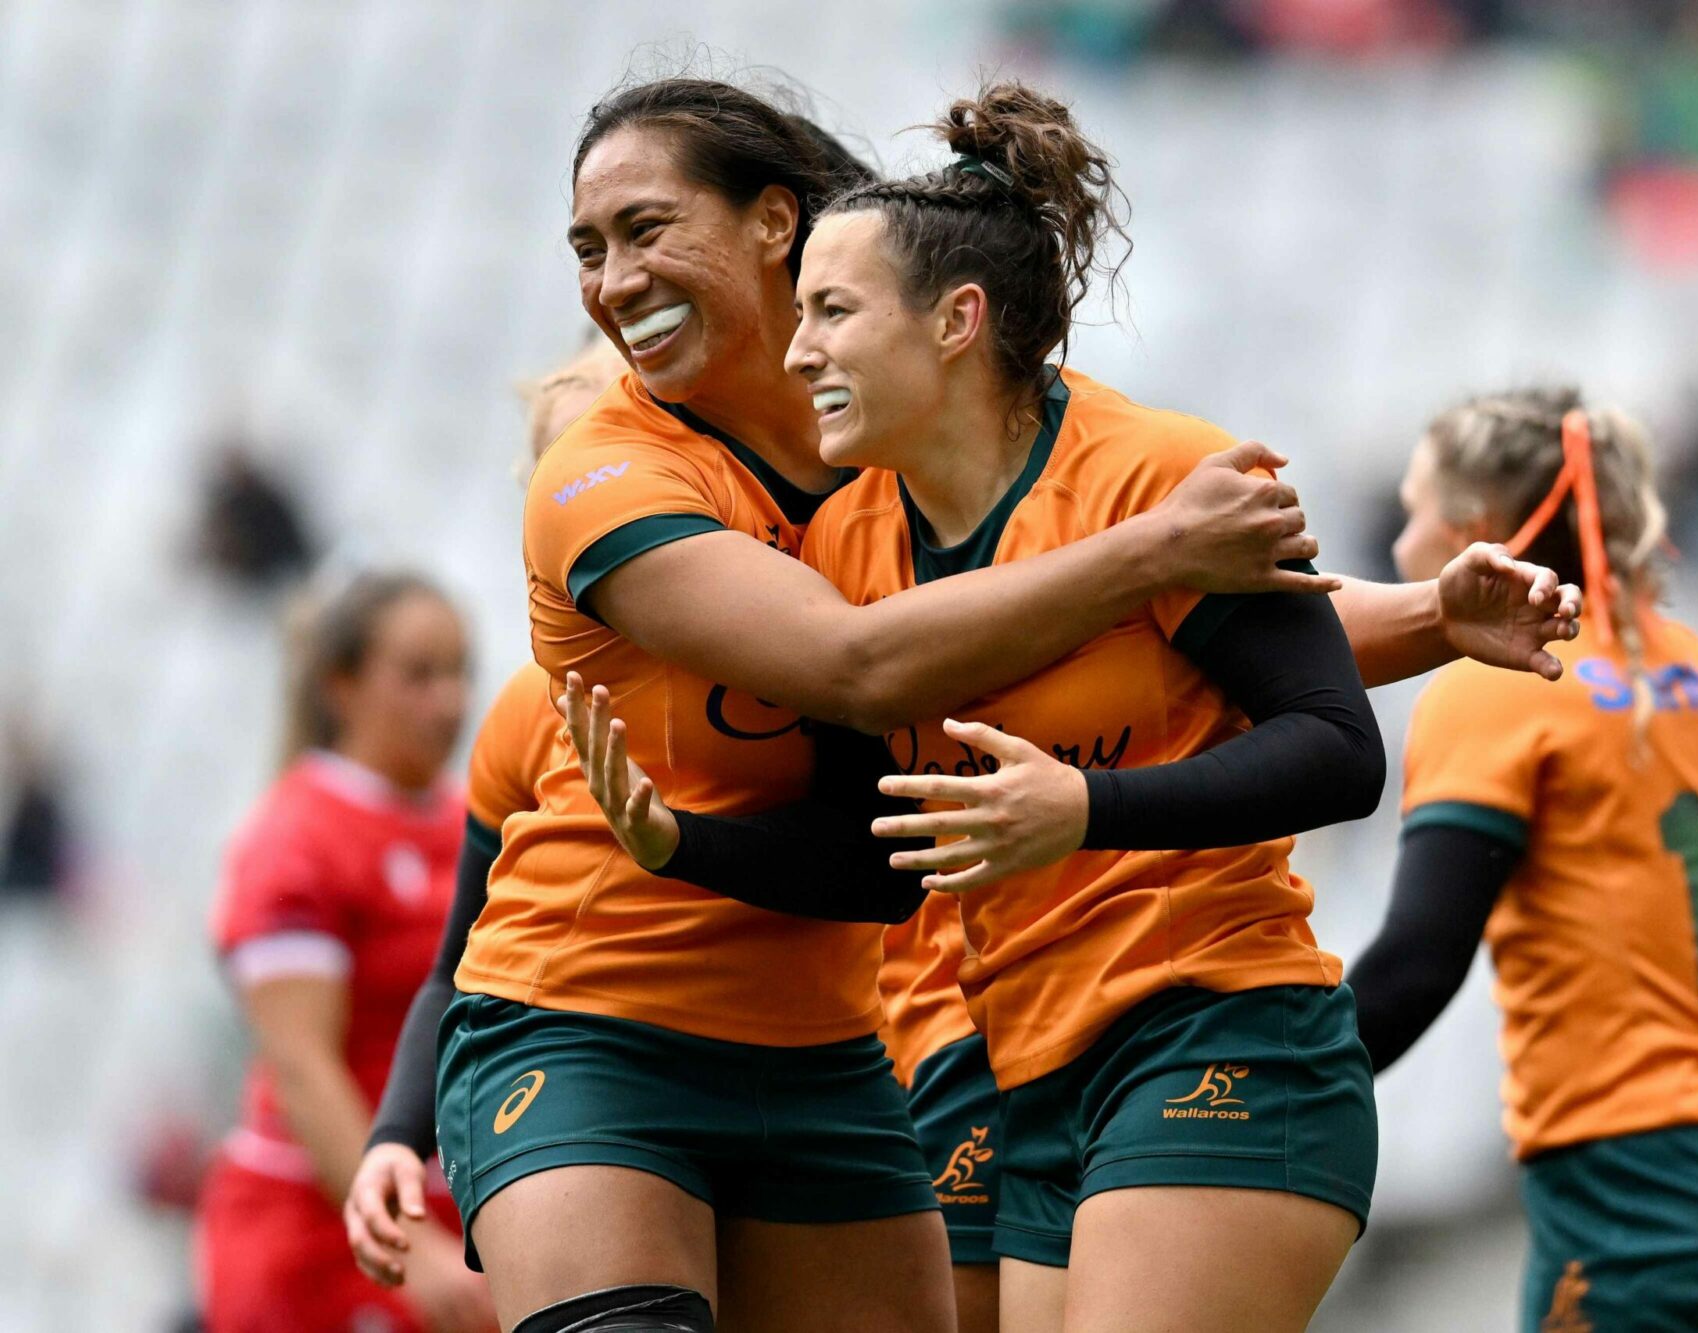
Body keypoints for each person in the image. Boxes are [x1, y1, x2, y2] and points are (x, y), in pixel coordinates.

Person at [434, 78, 1348, 1333]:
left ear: (773, 221)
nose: (610, 278)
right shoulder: (602, 471)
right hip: (591, 1024)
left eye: (646, 228)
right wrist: (1162, 551)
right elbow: (867, 668)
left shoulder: (892, 468)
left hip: (838, 1054)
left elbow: (1181, 647)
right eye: (587, 248)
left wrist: (1431, 616)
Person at [1340, 386, 1698, 1331]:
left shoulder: (1503, 683)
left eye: (1412, 511)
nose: (1400, 544)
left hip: (1639, 1200)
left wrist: (1265, 1072)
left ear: (1475, 532)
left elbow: (1417, 960)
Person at [346, 337, 623, 1293]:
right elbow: (454, 967)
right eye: (559, 478)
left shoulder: (797, 659)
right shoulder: (527, 715)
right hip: (590, 1102)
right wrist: (394, 1139)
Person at [198, 572, 494, 1333]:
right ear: (342, 686)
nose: (450, 700)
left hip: (445, 1207)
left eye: (460, 672)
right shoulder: (296, 838)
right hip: (326, 1230)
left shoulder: (475, 817)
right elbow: (302, 1065)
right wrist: (412, 1245)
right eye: (419, 674)